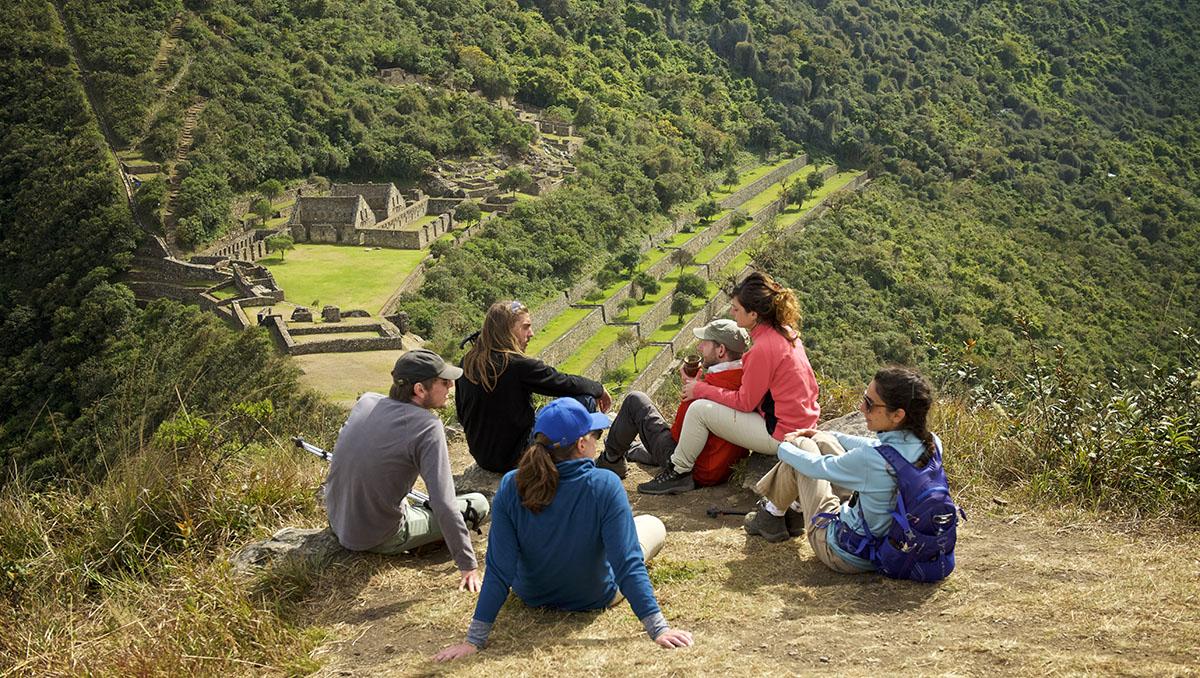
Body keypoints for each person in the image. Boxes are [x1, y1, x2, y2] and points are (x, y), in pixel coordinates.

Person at [434, 398, 693, 661]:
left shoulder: (512, 484)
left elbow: (499, 568)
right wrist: (658, 628)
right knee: (652, 525)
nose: (597, 441)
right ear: (582, 444)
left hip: (531, 594)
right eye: (595, 435)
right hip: (594, 596)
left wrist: (474, 640)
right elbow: (627, 563)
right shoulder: (605, 484)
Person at [638, 271, 820, 494]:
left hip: (781, 434)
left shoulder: (762, 349)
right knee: (705, 405)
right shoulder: (787, 333)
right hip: (803, 423)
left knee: (698, 410)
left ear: (753, 314)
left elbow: (745, 402)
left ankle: (678, 471)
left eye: (736, 309)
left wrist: (702, 389)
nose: (733, 314)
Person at [745, 367, 942, 574]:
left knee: (803, 446)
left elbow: (816, 467)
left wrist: (784, 446)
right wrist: (826, 434)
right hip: (888, 545)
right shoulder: (932, 443)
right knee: (821, 439)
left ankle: (772, 513)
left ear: (897, 415)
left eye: (869, 404)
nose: (861, 407)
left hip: (842, 553)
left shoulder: (871, 460)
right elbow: (873, 446)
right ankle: (790, 512)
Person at [324, 349, 489, 591]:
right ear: (420, 390)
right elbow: (443, 503)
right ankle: (422, 540)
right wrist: (467, 564)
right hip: (379, 536)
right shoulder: (428, 427)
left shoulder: (367, 401)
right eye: (443, 382)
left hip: (338, 521)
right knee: (479, 503)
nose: (451, 386)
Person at [457, 299, 612, 473]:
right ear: (506, 330)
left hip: (484, 458)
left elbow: (462, 416)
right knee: (585, 400)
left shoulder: (467, 362)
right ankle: (570, 463)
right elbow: (564, 383)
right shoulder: (517, 365)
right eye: (525, 327)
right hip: (518, 457)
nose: (531, 333)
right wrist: (598, 388)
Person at [596, 319, 751, 486]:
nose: (699, 348)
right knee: (654, 438)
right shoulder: (748, 382)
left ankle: (611, 461)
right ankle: (632, 450)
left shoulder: (711, 388)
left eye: (705, 343)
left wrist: (689, 391)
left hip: (694, 468)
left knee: (636, 400)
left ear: (721, 350)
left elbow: (678, 435)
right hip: (723, 465)